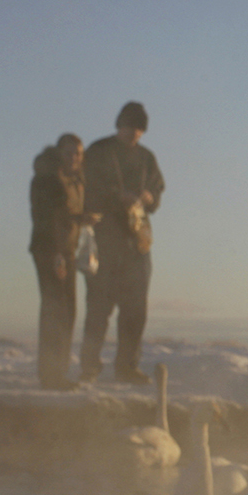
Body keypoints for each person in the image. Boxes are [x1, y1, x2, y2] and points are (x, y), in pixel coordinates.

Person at [80, 101, 164, 385]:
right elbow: (86, 187)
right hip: (106, 238)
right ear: (119, 125)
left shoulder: (147, 157)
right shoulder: (98, 151)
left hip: (137, 243)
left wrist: (150, 198)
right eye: (129, 127)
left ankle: (127, 367)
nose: (133, 134)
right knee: (99, 307)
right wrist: (118, 197)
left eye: (139, 130)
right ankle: (90, 366)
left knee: (135, 309)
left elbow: (157, 187)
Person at [28, 133, 96, 390]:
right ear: (59, 154)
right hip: (50, 250)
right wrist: (57, 253)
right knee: (55, 312)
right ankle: (51, 375)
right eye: (69, 153)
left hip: (65, 250)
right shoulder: (48, 179)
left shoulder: (75, 179)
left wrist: (81, 220)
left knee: (68, 312)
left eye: (78, 153)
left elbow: (68, 214)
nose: (75, 158)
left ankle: (59, 372)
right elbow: (47, 218)